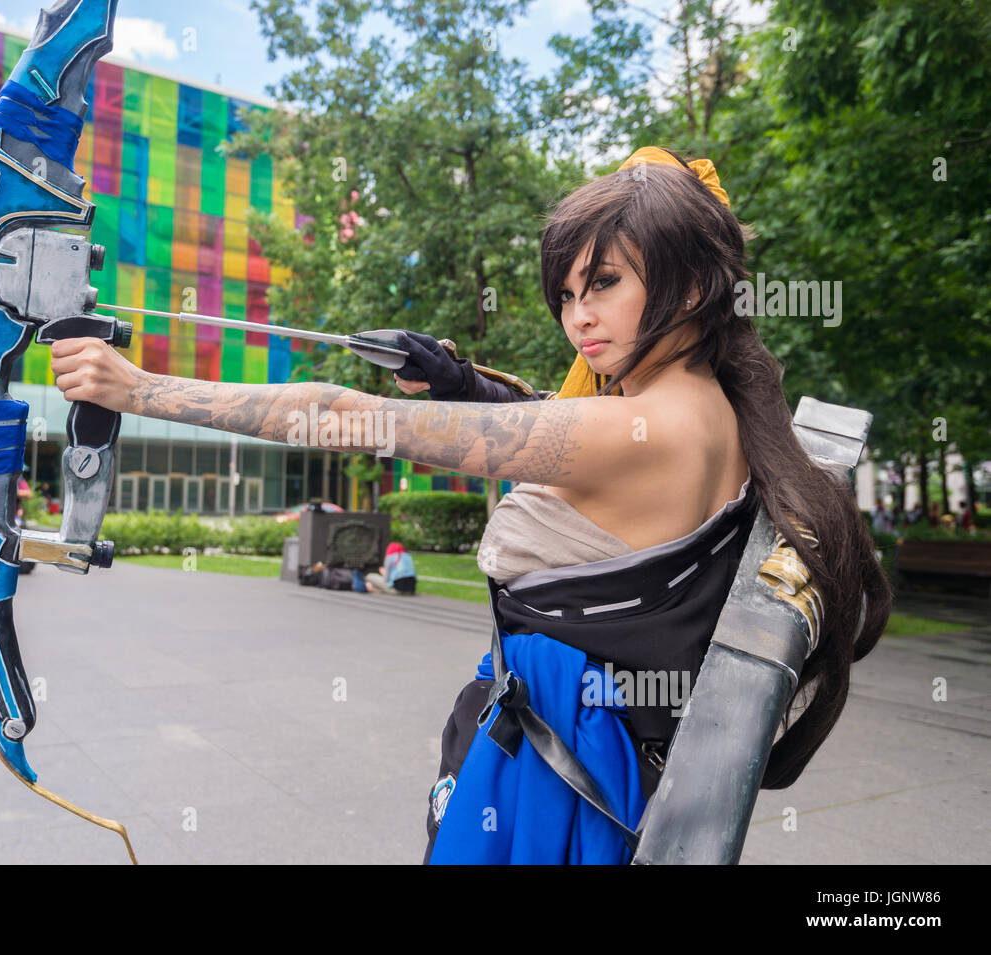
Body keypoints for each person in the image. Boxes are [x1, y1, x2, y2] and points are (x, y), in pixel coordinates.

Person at [47, 145, 890, 865]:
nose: (580, 318)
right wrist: (462, 383)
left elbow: (349, 418)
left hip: (559, 779)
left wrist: (141, 387)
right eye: (566, 293)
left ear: (697, 285)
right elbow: (550, 428)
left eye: (605, 283)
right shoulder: (717, 411)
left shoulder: (645, 425)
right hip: (586, 759)